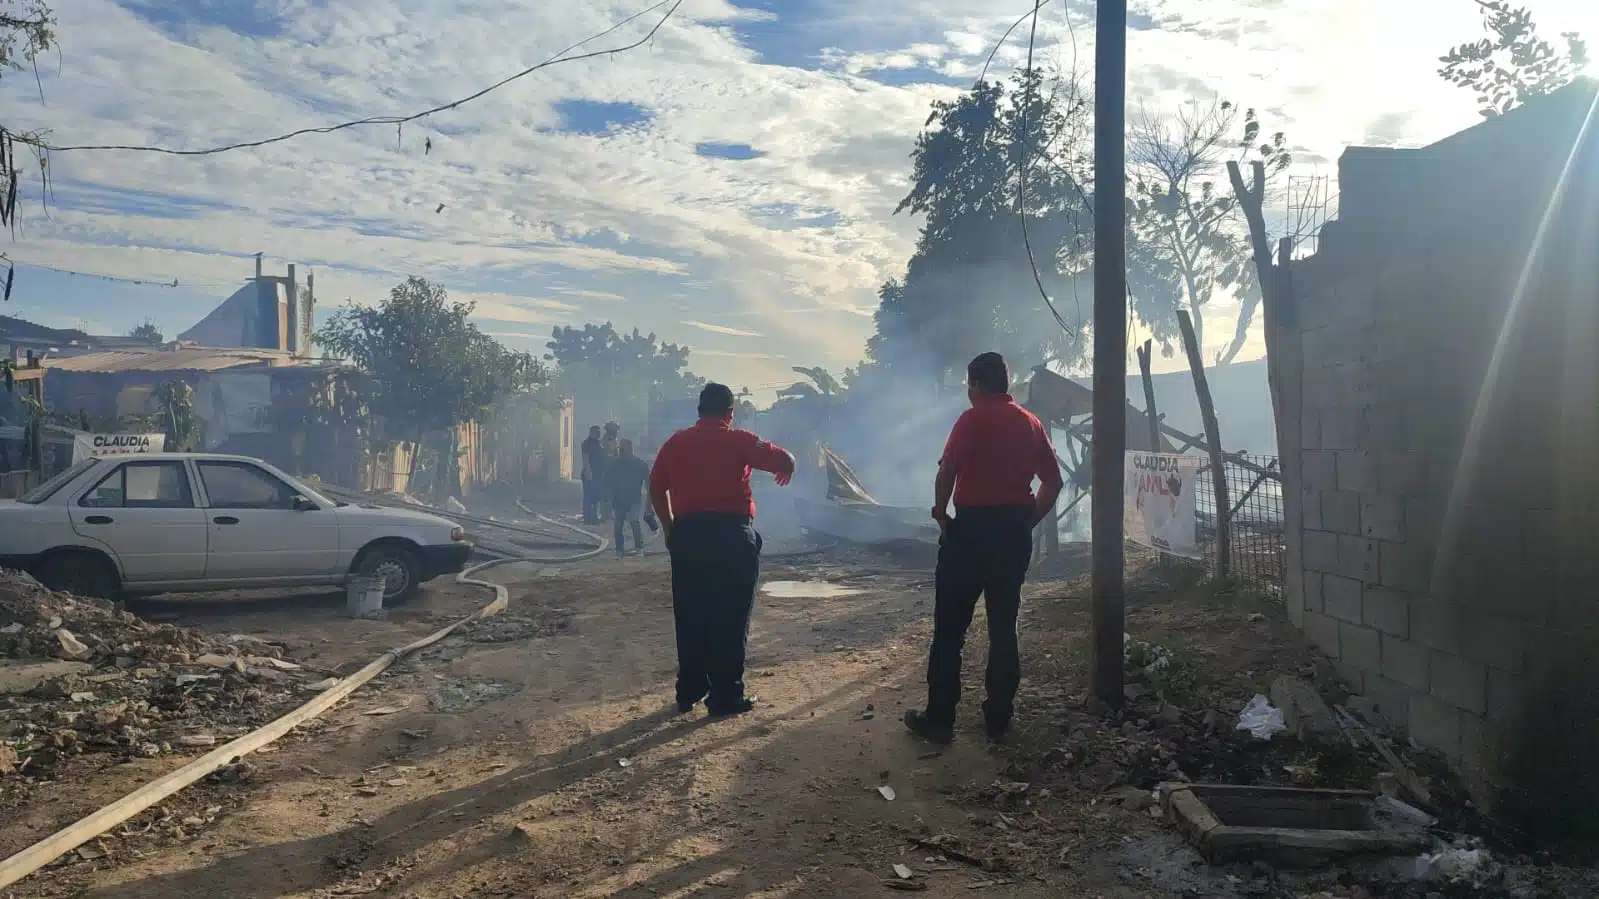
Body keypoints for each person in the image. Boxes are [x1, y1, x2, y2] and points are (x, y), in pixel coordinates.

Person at [904, 352, 1063, 745]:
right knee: (1003, 627)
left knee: (950, 631)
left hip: (971, 533)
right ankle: (998, 717)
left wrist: (941, 515)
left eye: (968, 386)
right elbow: (1053, 483)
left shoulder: (971, 419)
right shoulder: (1031, 423)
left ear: (975, 385)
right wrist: (1028, 521)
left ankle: (940, 721)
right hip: (1012, 534)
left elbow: (946, 471)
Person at [650, 383, 796, 717]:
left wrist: (671, 529)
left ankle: (690, 689)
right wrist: (784, 468)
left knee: (690, 616)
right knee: (730, 618)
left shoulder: (675, 443)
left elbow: (657, 489)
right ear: (730, 413)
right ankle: (725, 696)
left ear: (699, 411)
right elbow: (786, 460)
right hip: (732, 538)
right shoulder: (739, 440)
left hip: (688, 539)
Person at [606, 438, 650, 556]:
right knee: (618, 525)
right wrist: (609, 499)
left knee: (634, 521)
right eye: (621, 448)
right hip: (619, 499)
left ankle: (639, 547)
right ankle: (619, 549)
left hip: (633, 499)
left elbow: (648, 483)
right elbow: (609, 483)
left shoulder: (639, 464)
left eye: (623, 448)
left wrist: (649, 503)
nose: (621, 451)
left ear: (630, 449)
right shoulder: (615, 465)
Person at [580, 425, 606, 524]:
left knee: (596, 497)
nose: (598, 434)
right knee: (588, 496)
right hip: (589, 474)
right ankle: (587, 517)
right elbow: (585, 460)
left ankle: (594, 516)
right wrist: (589, 474)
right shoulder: (586, 444)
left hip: (598, 474)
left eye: (599, 432)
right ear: (592, 433)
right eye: (597, 432)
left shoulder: (599, 444)